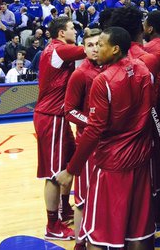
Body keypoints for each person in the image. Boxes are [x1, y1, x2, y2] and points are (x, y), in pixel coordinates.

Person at [56, 27, 155, 250]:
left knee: (98, 235)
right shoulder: (143, 70)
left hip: (112, 162)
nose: (96, 49)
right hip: (140, 159)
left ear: (115, 49)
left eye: (100, 44)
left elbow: (94, 129)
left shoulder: (104, 80)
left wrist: (71, 169)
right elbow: (151, 112)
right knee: (137, 233)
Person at [34, 16, 86, 240]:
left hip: (59, 116)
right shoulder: (59, 48)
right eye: (72, 28)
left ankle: (65, 210)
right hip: (51, 116)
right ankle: (52, 225)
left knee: (69, 164)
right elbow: (92, 50)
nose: (75, 31)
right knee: (54, 174)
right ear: (62, 33)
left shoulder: (57, 50)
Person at [63, 28, 102, 250]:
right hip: (87, 144)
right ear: (83, 49)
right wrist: (93, 124)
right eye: (90, 45)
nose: (95, 49)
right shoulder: (80, 74)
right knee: (83, 199)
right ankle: (79, 244)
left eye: (98, 44)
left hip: (108, 144)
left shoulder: (110, 69)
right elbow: (69, 111)